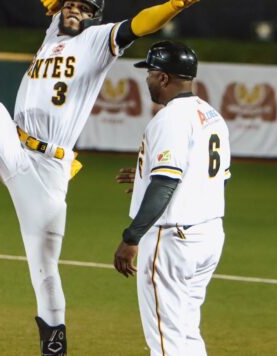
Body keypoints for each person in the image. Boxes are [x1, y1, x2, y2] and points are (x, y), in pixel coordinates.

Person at [0, 0, 202, 354]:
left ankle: (54, 347)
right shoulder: (52, 33)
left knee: (44, 269)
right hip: (13, 146)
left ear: (95, 16)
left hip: (47, 170)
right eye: (70, 4)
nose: (74, 10)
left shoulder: (97, 40)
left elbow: (140, 24)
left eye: (84, 7)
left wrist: (174, 4)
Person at [113, 41, 231, 356]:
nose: (147, 79)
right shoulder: (211, 115)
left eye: (150, 73)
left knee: (165, 342)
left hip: (173, 240)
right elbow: (207, 176)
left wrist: (131, 237)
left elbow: (165, 182)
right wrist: (143, 179)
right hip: (208, 235)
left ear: (163, 78)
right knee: (186, 332)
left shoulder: (170, 119)